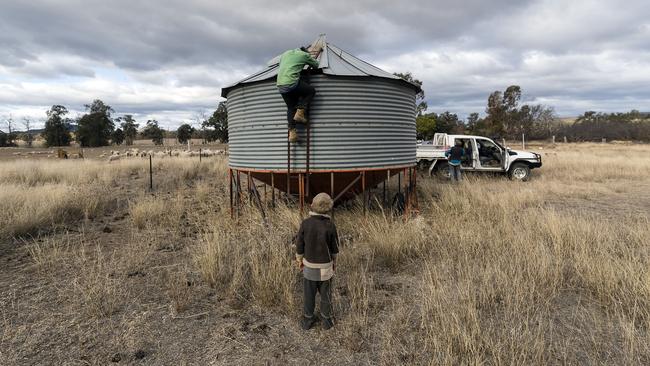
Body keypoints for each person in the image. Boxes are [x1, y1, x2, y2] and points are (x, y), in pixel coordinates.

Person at [296, 192, 339, 330]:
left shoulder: (306, 223)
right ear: (329, 209)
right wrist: (334, 261)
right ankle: (327, 320)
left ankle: (308, 320)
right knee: (326, 294)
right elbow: (335, 248)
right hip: (326, 266)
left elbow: (299, 245)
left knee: (309, 294)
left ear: (312, 206)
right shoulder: (330, 225)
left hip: (309, 266)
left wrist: (299, 259)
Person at [277, 46, 320, 143]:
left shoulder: (286, 53)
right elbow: (316, 65)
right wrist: (309, 57)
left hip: (280, 84)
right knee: (311, 91)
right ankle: (300, 113)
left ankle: (292, 132)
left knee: (290, 108)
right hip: (291, 82)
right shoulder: (305, 55)